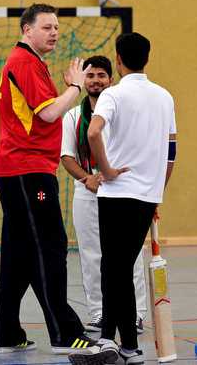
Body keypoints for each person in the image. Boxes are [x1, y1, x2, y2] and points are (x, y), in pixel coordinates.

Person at [0, 3, 95, 355]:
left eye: (56, 28)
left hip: (22, 169)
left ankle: (7, 333)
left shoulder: (32, 63)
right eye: (47, 27)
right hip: (27, 169)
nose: (54, 33)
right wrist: (75, 88)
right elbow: (50, 113)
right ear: (27, 30)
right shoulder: (24, 62)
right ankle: (65, 334)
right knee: (49, 248)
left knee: (19, 254)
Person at [69, 32, 176, 365]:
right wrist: (158, 188)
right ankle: (126, 346)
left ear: (118, 60)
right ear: (147, 57)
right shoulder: (165, 96)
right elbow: (171, 150)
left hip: (117, 194)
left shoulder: (112, 95)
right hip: (147, 195)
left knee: (112, 269)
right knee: (120, 268)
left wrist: (107, 169)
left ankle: (111, 343)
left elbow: (92, 132)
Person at [61, 55, 148, 334]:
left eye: (101, 75)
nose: (96, 80)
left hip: (125, 192)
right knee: (92, 254)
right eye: (90, 75)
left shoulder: (124, 110)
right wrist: (88, 178)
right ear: (83, 80)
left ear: (111, 79)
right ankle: (99, 311)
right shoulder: (73, 116)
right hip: (87, 193)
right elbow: (66, 157)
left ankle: (134, 313)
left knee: (130, 254)